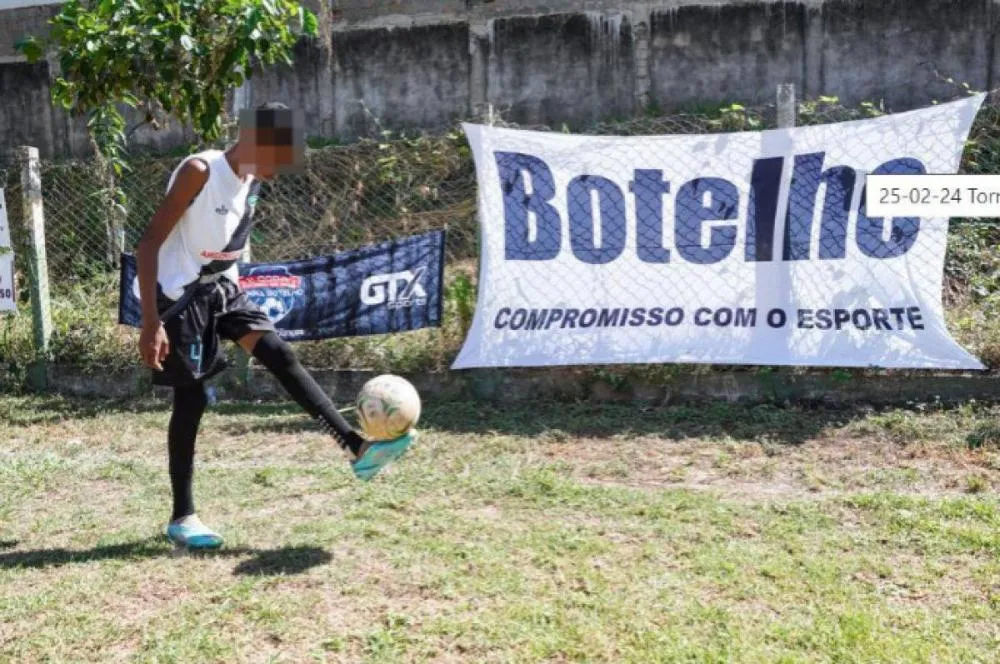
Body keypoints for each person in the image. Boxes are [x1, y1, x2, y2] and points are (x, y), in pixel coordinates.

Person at [135, 102, 415, 551]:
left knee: (280, 354)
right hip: (179, 295)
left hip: (222, 288)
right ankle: (182, 516)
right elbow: (148, 244)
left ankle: (357, 450)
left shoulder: (249, 180)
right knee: (191, 401)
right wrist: (151, 322)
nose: (280, 169)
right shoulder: (199, 172)